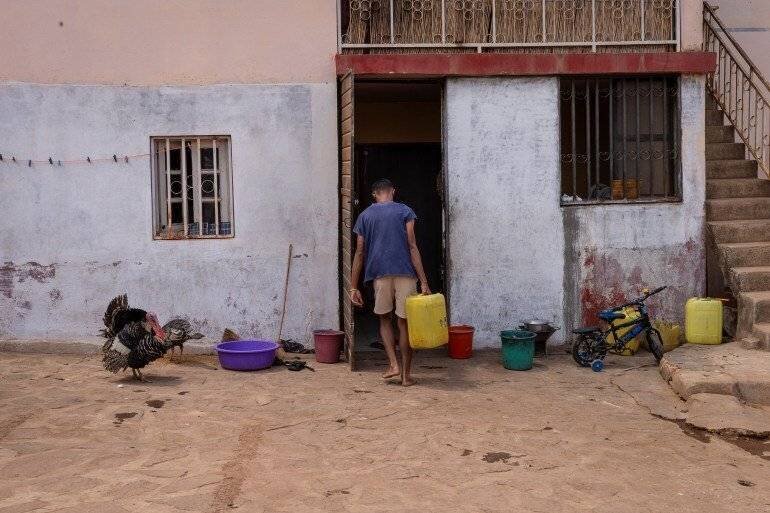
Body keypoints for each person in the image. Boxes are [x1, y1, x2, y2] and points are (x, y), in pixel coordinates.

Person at [350, 178, 430, 387]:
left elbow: (359, 252)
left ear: (374, 194)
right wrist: (424, 281)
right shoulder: (405, 211)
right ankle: (406, 376)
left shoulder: (365, 216)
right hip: (406, 273)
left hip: (379, 274)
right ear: (393, 191)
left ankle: (393, 365)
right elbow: (412, 246)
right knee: (404, 323)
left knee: (385, 320)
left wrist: (353, 286)